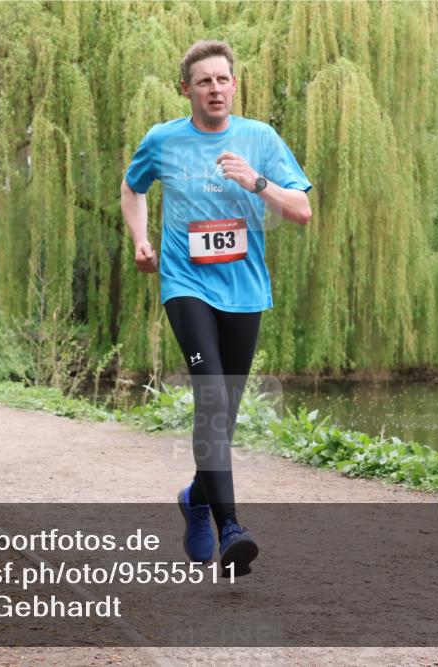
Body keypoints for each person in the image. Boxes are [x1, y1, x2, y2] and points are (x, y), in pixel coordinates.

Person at [120, 40, 312, 577]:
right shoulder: (163, 139)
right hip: (186, 285)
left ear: (234, 85)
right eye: (204, 81)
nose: (215, 89)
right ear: (187, 89)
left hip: (245, 291)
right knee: (211, 398)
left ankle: (195, 498)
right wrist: (141, 240)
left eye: (222, 79)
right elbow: (132, 188)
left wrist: (256, 181)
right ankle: (232, 528)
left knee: (224, 415)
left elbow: (301, 210)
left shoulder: (260, 139)